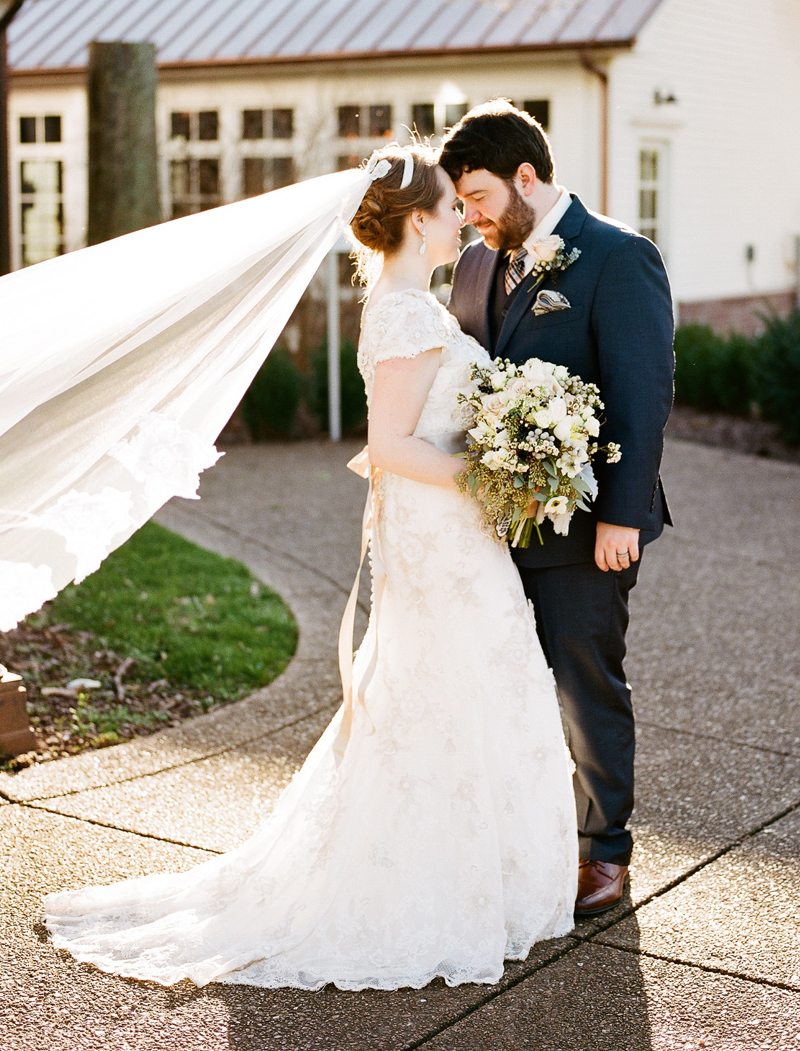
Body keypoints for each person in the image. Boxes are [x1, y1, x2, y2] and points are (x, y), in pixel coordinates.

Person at [44, 145, 578, 991]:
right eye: (448, 208)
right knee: (447, 692)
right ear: (415, 221)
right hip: (441, 539)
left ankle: (478, 875)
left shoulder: (413, 305)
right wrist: (497, 476)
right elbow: (392, 447)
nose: (460, 221)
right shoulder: (404, 315)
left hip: (453, 535)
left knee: (462, 690)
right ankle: (422, 889)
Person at [442, 101, 675, 915]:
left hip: (584, 530)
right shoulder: (477, 264)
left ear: (527, 178)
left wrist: (621, 516)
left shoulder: (619, 256)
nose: (467, 214)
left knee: (585, 682)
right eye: (460, 201)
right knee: (505, 682)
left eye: (476, 195)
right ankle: (526, 833)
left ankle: (604, 847)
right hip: (488, 525)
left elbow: (642, 397)